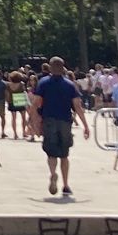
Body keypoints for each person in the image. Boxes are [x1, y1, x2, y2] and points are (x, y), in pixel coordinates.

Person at [31, 57, 90, 196]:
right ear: (63, 68)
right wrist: (86, 125)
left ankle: (53, 174)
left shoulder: (43, 83)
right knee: (64, 155)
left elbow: (36, 103)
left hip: (49, 120)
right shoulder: (70, 85)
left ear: (50, 68)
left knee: (51, 153)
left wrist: (34, 122)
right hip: (65, 121)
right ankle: (66, 184)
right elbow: (77, 106)